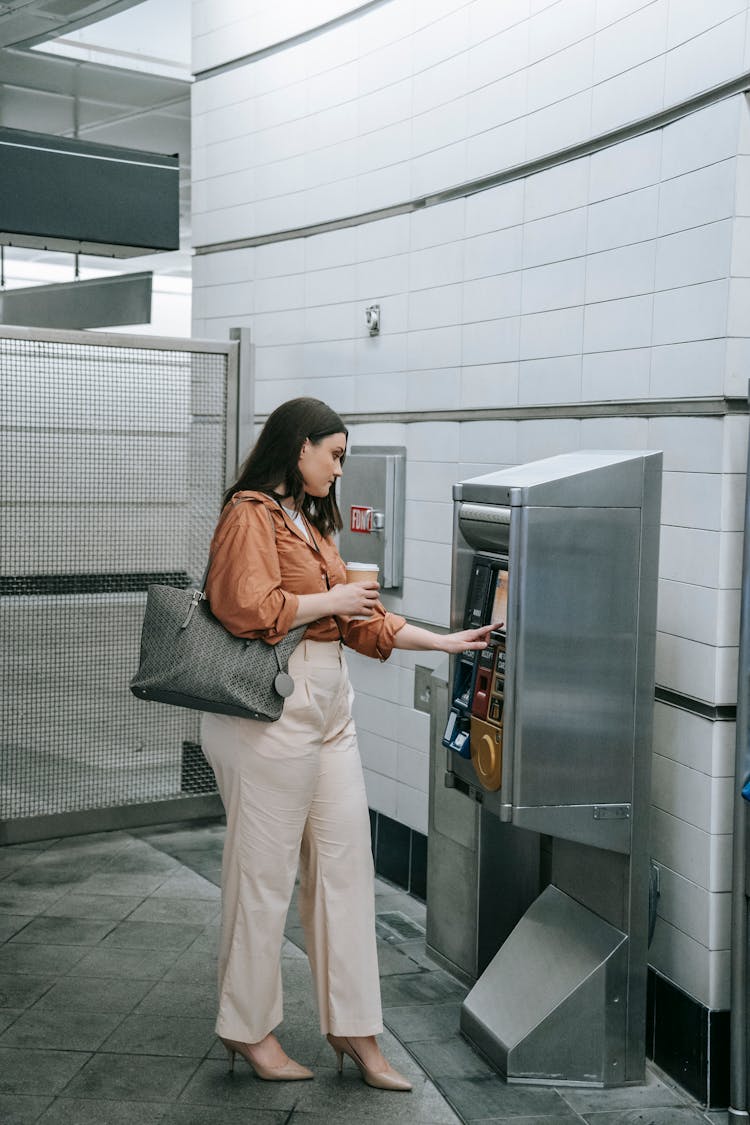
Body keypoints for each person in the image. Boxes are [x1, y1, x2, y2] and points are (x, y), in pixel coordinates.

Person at [200, 397, 496, 1092]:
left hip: (331, 706)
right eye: (332, 453)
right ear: (297, 446)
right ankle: (247, 1028)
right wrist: (331, 603)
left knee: (346, 873)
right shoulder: (250, 512)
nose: (339, 468)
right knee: (263, 876)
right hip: (272, 709)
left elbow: (367, 625)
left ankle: (355, 1028)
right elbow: (245, 607)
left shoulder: (308, 522)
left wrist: (446, 642)